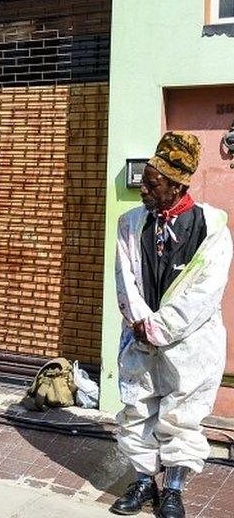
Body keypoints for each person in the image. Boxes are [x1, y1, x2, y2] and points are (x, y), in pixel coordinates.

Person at [112, 131, 232, 518]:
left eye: (152, 182)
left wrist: (162, 328)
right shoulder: (131, 223)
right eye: (145, 179)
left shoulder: (212, 227)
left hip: (191, 343)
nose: (143, 189)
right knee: (136, 409)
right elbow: (125, 279)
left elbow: (204, 292)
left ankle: (174, 489)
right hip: (140, 337)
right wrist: (140, 323)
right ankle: (144, 482)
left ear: (177, 184)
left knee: (183, 413)